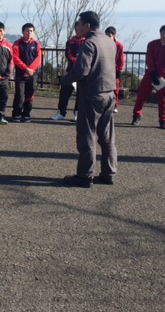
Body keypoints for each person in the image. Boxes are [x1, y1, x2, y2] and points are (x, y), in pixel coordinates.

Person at [60, 11, 117, 188]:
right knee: (106, 136)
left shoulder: (89, 43)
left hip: (92, 94)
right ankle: (109, 173)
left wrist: (64, 79)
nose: (76, 27)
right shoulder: (109, 41)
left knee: (87, 136)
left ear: (87, 25)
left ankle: (85, 176)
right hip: (109, 93)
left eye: (78, 24)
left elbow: (81, 71)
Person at [131, 24, 165, 129]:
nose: (164, 35)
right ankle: (136, 115)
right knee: (142, 95)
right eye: (162, 33)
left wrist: (160, 73)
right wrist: (153, 72)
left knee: (163, 99)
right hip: (150, 74)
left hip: (164, 76)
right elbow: (149, 59)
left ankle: (163, 120)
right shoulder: (152, 44)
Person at [51, 29, 85, 121]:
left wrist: (80, 64)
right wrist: (77, 62)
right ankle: (61, 113)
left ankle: (78, 113)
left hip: (82, 72)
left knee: (80, 94)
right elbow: (68, 55)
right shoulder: (70, 42)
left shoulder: (87, 42)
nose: (78, 30)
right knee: (64, 92)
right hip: (71, 70)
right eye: (77, 27)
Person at [11, 23, 41, 122]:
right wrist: (26, 69)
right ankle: (16, 114)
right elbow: (15, 58)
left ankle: (26, 114)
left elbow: (38, 58)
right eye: (27, 31)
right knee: (19, 94)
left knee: (30, 95)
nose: (29, 33)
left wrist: (30, 70)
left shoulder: (36, 44)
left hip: (33, 74)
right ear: (23, 32)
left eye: (31, 31)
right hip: (21, 74)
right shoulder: (17, 43)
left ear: (33, 32)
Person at [105, 27, 125, 112]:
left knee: (115, 88)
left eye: (110, 35)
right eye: (107, 35)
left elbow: (121, 59)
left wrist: (120, 69)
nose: (108, 37)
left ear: (114, 35)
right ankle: (105, 104)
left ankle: (114, 105)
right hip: (105, 69)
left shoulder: (119, 45)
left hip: (114, 69)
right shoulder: (103, 44)